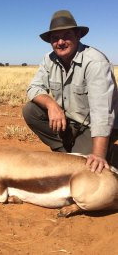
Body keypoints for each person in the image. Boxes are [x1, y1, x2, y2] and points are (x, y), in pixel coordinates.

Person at [23, 10, 118, 173]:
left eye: (66, 35)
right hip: (69, 123)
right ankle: (66, 152)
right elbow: (33, 88)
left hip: (93, 127)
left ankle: (110, 154)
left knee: (88, 168)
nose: (60, 42)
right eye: (55, 38)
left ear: (78, 35)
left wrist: (98, 155)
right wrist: (52, 105)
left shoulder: (95, 63)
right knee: (31, 110)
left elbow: (102, 114)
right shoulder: (49, 59)